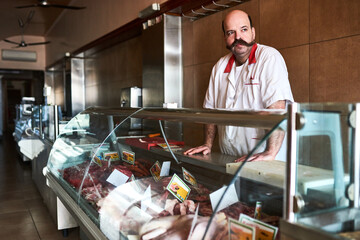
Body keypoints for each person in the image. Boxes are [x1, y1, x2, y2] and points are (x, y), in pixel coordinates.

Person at [184, 10, 294, 162]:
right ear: (225, 38)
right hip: (230, 158)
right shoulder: (219, 67)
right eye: (231, 32)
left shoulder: (269, 58)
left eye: (244, 29)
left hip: (263, 159)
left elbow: (277, 108)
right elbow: (210, 111)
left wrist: (270, 152)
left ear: (253, 32)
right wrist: (207, 144)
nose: (238, 37)